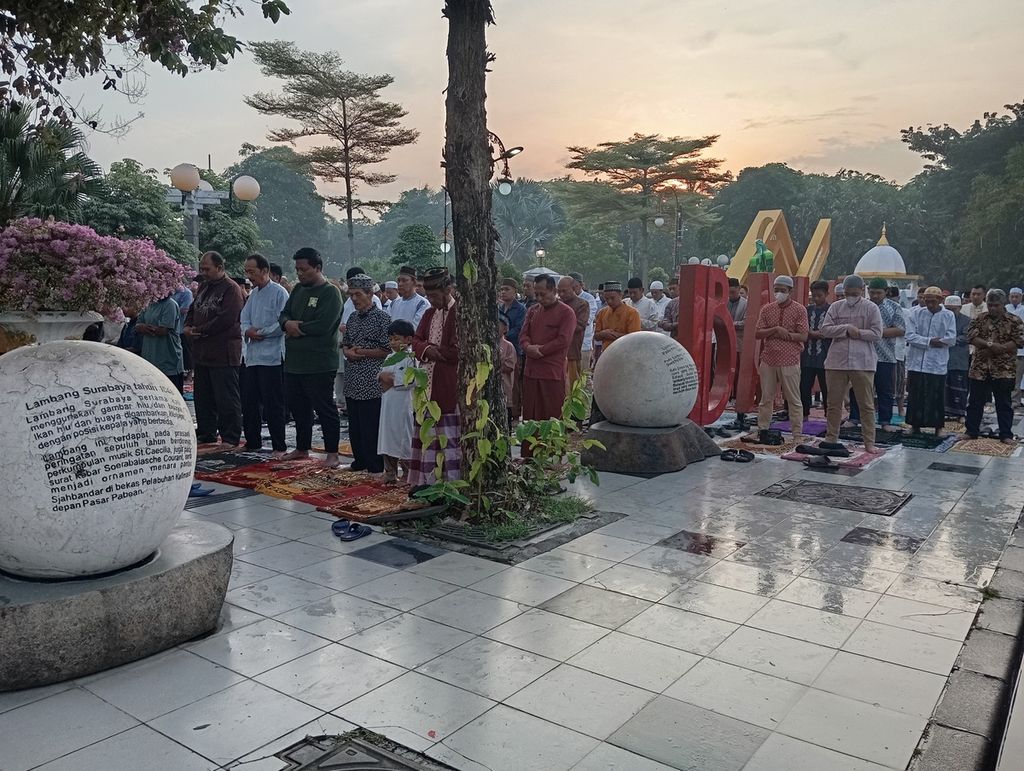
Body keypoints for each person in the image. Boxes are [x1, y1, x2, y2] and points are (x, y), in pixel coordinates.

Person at [279, 247, 344, 468]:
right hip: (295, 362)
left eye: (304, 269)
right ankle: (301, 447)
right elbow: (284, 314)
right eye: (297, 269)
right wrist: (287, 324)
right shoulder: (297, 290)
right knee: (299, 408)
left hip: (320, 363)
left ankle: (332, 453)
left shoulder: (330, 293)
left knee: (324, 408)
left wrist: (298, 328)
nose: (300, 273)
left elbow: (324, 326)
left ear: (317, 267)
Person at [185, 251, 245, 446]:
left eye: (207, 269)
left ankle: (230, 436)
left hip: (223, 352)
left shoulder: (231, 289)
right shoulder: (204, 286)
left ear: (220, 268)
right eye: (201, 269)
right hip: (202, 352)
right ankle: (206, 432)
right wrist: (188, 326)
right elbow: (193, 309)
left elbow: (226, 319)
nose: (203, 272)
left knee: (226, 396)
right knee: (203, 396)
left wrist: (199, 330)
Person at [409, 267, 461, 489]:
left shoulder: (459, 313)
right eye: (428, 296)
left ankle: (449, 484)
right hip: (426, 383)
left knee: (447, 436)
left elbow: (457, 350)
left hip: (447, 383)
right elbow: (416, 339)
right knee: (426, 434)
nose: (431, 300)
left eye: (435, 296)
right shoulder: (430, 314)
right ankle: (426, 483)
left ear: (448, 289)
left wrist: (436, 352)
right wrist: (428, 349)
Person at [820, 275, 884, 452]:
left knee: (866, 404)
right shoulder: (836, 307)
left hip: (862, 362)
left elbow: (877, 333)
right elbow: (825, 330)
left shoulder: (871, 308)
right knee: (833, 404)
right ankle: (831, 437)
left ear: (862, 290)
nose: (850, 297)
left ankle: (869, 442)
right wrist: (845, 329)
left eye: (854, 293)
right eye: (847, 293)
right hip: (836, 362)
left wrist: (858, 333)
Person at [520, 274, 577, 455]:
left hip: (551, 371)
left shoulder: (566, 312)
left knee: (551, 415)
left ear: (554, 291)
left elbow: (563, 340)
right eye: (536, 294)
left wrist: (541, 350)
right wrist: (529, 348)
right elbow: (523, 335)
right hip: (530, 371)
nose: (538, 298)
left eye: (542, 294)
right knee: (530, 416)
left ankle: (552, 455)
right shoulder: (533, 310)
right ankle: (529, 456)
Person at [240, 254, 289, 456]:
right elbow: (243, 319)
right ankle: (253, 440)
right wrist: (247, 331)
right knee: (250, 401)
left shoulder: (279, 293)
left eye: (252, 271)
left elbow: (282, 323)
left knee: (273, 403)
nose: (249, 276)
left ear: (265, 271)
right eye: (247, 272)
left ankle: (279, 445)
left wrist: (260, 333)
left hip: (272, 356)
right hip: (252, 356)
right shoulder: (254, 294)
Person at [342, 274, 392, 473]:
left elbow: (388, 350)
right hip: (353, 378)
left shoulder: (382, 319)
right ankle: (359, 461)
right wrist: (348, 352)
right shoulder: (353, 317)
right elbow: (345, 344)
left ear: (370, 294)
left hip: (372, 379)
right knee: (355, 425)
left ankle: (375, 465)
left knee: (371, 424)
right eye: (351, 295)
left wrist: (361, 352)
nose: (354, 299)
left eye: (358, 294)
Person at [753, 275, 809, 441]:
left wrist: (787, 335)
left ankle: (797, 433)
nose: (778, 293)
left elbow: (803, 336)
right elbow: (757, 333)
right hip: (769, 358)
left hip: (789, 359)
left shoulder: (800, 310)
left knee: (793, 398)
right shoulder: (767, 309)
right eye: (776, 290)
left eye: (782, 290)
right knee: (766, 398)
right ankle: (762, 429)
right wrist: (775, 329)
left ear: (790, 291)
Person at [966, 289, 1024, 443]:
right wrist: (991, 346)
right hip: (980, 368)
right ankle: (971, 431)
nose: (992, 308)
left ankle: (1005, 434)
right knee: (975, 401)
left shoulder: (1014, 320)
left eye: (996, 305)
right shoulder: (980, 318)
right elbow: (971, 336)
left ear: (1003, 304)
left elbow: (1019, 341)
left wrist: (1001, 349)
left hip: (1003, 369)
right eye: (990, 305)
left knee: (1004, 403)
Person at [850, 278, 905, 431]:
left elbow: (900, 329)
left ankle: (885, 421)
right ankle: (854, 418)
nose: (874, 295)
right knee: (858, 388)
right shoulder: (861, 306)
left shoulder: (894, 307)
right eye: (872, 292)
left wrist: (875, 333)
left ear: (886, 292)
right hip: (862, 354)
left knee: (884, 390)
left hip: (885, 355)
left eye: (878, 293)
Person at [905, 286, 956, 435]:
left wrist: (933, 341)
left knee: (936, 396)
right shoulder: (916, 314)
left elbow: (951, 339)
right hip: (917, 363)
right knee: (916, 395)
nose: (930, 304)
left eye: (933, 301)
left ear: (941, 300)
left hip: (937, 363)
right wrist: (930, 341)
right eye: (927, 301)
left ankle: (938, 427)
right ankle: (915, 426)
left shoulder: (948, 316)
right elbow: (909, 336)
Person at [591, 281, 641, 423]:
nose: (609, 301)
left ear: (621, 295)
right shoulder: (602, 312)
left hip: (625, 358)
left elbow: (634, 338)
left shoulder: (632, 313)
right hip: (607, 356)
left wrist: (612, 335)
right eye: (606, 299)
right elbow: (597, 335)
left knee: (623, 389)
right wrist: (607, 333)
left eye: (612, 298)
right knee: (603, 388)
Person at [378, 319, 417, 483]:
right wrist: (385, 378)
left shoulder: (411, 358)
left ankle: (408, 471)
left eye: (397, 339)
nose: (393, 343)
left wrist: (388, 378)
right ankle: (390, 471)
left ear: (408, 339)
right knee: (387, 436)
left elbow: (408, 381)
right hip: (388, 403)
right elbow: (382, 378)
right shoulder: (390, 357)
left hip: (403, 404)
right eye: (391, 339)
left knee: (403, 436)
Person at [135, 295, 185, 393]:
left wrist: (146, 328)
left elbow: (163, 330)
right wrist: (142, 327)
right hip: (149, 358)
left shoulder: (170, 304)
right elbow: (138, 324)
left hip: (168, 361)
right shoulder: (148, 303)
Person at [801, 280, 832, 418]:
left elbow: (834, 330)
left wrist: (821, 334)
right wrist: (812, 334)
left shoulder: (832, 310)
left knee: (827, 388)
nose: (816, 298)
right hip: (807, 355)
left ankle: (829, 414)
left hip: (826, 355)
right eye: (814, 296)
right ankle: (804, 414)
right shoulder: (807, 310)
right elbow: (800, 328)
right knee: (804, 386)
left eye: (819, 295)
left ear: (826, 294)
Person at [499, 278, 527, 419]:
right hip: (499, 348)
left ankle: (515, 413)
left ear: (515, 291)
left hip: (515, 349)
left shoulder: (521, 309)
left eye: (507, 289)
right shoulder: (499, 308)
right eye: (502, 289)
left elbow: (518, 329)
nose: (503, 292)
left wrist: (502, 335)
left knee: (514, 382)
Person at [557, 275, 590, 392]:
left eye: (564, 291)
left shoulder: (582, 304)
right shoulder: (557, 304)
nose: (561, 294)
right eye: (558, 291)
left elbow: (580, 326)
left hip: (572, 352)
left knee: (572, 389)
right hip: (557, 353)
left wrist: (559, 327)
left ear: (574, 288)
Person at [944, 295, 970, 419]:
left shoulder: (967, 320)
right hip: (943, 359)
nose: (950, 312)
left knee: (958, 387)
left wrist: (947, 340)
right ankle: (944, 412)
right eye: (947, 309)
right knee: (943, 387)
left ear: (959, 308)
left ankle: (959, 414)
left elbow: (966, 337)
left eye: (953, 309)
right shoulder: (941, 318)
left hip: (959, 359)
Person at [569, 272, 598, 373]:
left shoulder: (589, 299)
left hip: (583, 344)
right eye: (570, 287)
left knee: (583, 376)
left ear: (581, 285)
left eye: (575, 286)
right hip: (569, 344)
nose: (572, 289)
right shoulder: (565, 299)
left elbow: (587, 320)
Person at [498, 312, 518, 428]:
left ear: (505, 328)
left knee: (505, 419)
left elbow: (509, 367)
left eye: (498, 324)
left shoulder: (508, 346)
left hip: (504, 387)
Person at [1008, 287, 1024, 407]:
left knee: (1017, 377)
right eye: (1012, 296)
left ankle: (1015, 400)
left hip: (1020, 350)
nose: (1014, 299)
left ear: (1021, 297)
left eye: (1016, 296)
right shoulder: (1005, 309)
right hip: (1006, 348)